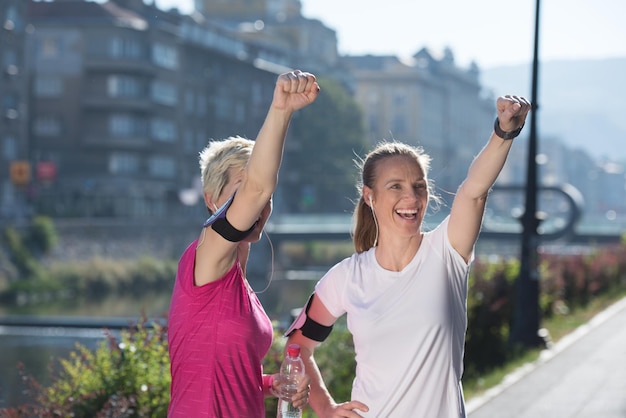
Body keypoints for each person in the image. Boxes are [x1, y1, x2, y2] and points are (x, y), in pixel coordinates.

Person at [283, 95, 532, 417]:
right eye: (395, 187)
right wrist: (327, 409)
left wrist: (504, 132)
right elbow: (297, 346)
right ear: (369, 197)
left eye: (419, 186)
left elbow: (475, 189)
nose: (411, 197)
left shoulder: (447, 252)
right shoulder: (347, 277)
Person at [167, 70, 319, 417]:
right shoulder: (202, 258)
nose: (259, 206)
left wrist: (269, 384)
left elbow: (225, 369)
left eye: (268, 198)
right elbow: (258, 188)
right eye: (239, 192)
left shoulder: (237, 279)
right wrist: (281, 110)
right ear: (211, 200)